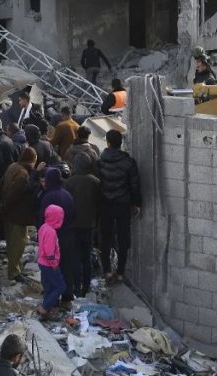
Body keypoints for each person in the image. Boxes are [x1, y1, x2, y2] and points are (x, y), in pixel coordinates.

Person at [97, 130, 141, 284]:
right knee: (123, 239)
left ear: (108, 143)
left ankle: (107, 271)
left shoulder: (101, 161)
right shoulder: (129, 162)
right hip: (123, 205)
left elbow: (99, 184)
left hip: (105, 205)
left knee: (106, 238)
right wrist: (137, 203)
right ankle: (121, 272)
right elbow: (134, 185)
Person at [38, 168, 75, 310]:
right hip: (67, 236)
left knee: (51, 272)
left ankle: (51, 303)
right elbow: (73, 215)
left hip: (52, 239)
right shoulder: (67, 195)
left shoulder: (48, 197)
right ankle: (67, 299)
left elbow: (42, 219)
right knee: (66, 268)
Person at [65, 154, 101, 297]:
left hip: (73, 225)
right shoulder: (96, 182)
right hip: (89, 224)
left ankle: (76, 288)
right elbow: (98, 204)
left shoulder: (70, 182)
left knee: (75, 257)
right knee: (86, 257)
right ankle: (86, 287)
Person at [0, 148, 38, 283]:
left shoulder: (13, 166)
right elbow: (15, 195)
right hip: (17, 215)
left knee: (12, 242)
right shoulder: (23, 174)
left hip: (9, 212)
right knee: (18, 244)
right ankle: (14, 272)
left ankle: (16, 268)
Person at [37, 204, 66, 320]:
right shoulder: (51, 232)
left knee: (48, 286)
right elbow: (49, 251)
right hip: (49, 264)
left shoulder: (44, 227)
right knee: (60, 286)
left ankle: (47, 310)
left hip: (42, 262)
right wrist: (54, 264)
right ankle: (44, 307)